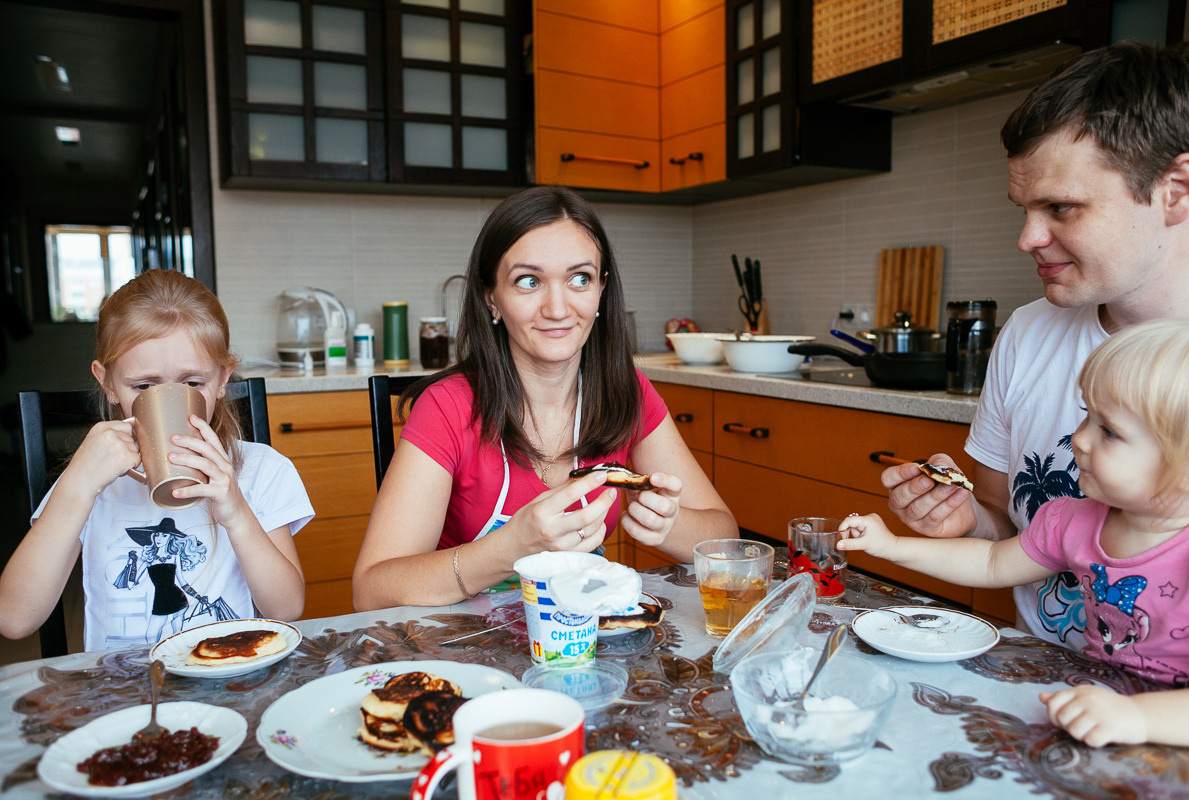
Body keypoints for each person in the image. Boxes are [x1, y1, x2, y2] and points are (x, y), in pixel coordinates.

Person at [881, 42, 1189, 649]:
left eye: (1061, 208)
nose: (1028, 238)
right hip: (1041, 687)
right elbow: (1004, 523)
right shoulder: (1028, 333)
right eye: (1025, 209)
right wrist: (968, 517)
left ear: (1177, 190)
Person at [353, 186, 737, 609]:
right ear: (491, 297)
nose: (557, 308)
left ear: (601, 290)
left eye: (579, 278)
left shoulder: (624, 391)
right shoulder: (448, 407)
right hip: (465, 653)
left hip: (579, 639)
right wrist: (510, 547)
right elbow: (371, 591)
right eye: (529, 281)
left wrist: (671, 524)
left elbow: (724, 539)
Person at [842, 319, 1189, 747]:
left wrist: (1138, 718)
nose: (1079, 439)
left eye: (1109, 431)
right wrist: (891, 545)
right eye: (1087, 415)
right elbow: (992, 562)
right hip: (1101, 713)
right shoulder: (1073, 518)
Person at [0, 270, 313, 651]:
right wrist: (78, 486)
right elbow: (15, 619)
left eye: (192, 383)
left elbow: (287, 609)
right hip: (124, 692)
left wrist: (235, 509)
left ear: (222, 379)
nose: (167, 399)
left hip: (226, 674)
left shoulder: (261, 470)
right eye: (144, 387)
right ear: (108, 384)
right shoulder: (90, 480)